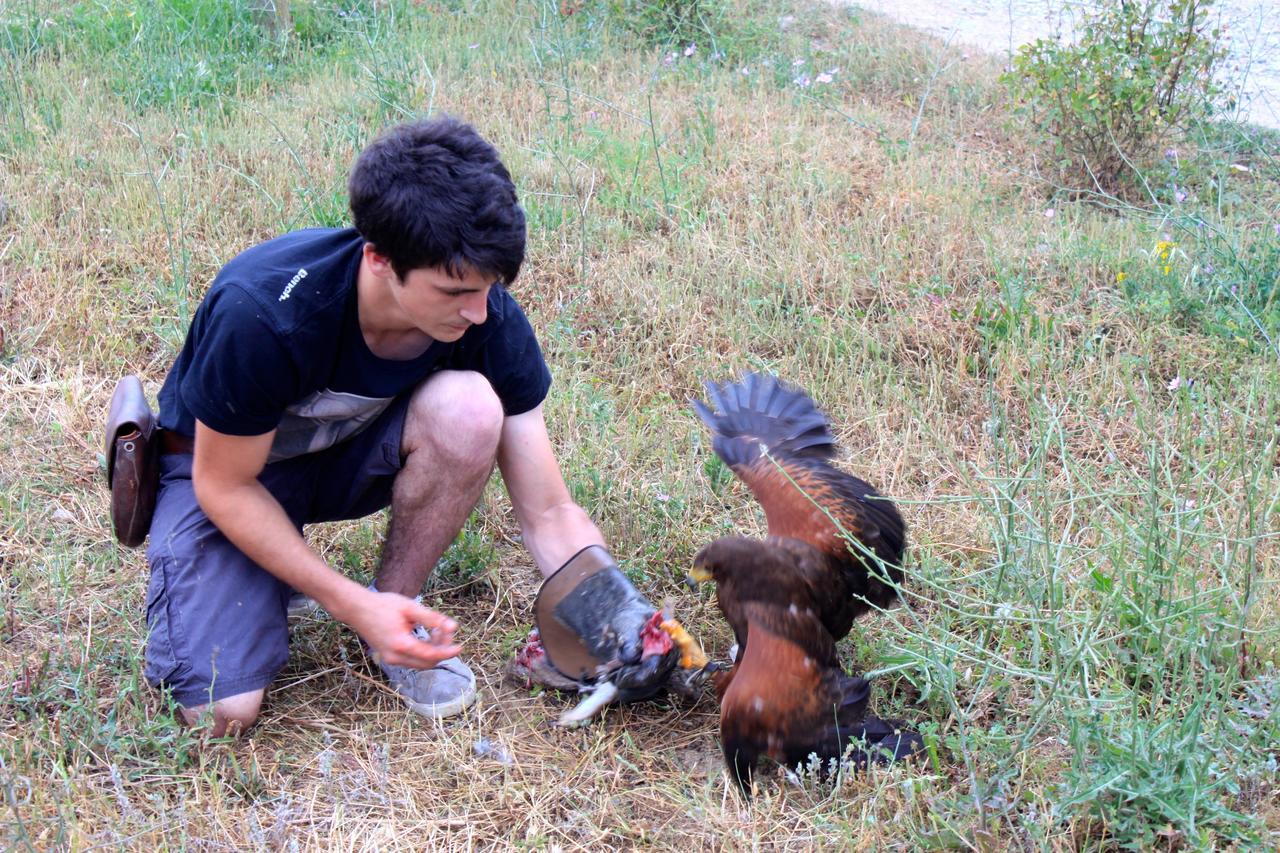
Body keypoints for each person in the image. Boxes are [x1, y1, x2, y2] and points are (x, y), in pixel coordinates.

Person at [143, 115, 660, 736]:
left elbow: (548, 511)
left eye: (489, 287)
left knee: (470, 408)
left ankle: (396, 612)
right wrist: (348, 602)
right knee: (219, 715)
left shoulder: (486, 315)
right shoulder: (264, 313)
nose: (478, 311)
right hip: (226, 475)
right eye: (453, 291)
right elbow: (224, 485)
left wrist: (620, 614)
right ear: (380, 259)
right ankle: (298, 589)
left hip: (339, 459)